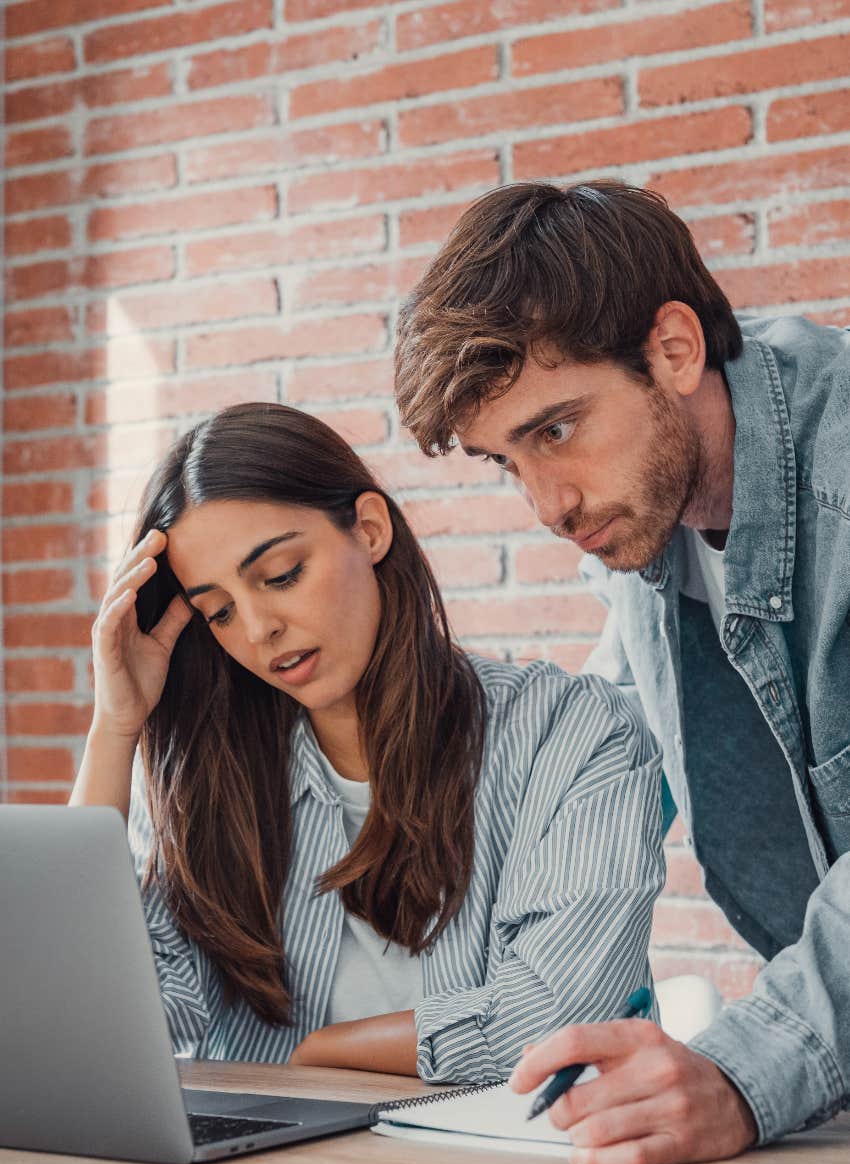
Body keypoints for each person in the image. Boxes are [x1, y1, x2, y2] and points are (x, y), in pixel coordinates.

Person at [394, 179, 850, 1164]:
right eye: (505, 460)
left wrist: (742, 1067)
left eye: (556, 429)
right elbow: (603, 768)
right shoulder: (651, 517)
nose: (547, 504)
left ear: (674, 349)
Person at [69, 402, 664, 1083]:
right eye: (220, 611)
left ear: (370, 529)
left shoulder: (574, 737)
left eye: (282, 574)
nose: (259, 629)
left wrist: (325, 1052)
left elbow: (562, 1017)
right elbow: (99, 1017)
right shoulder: (204, 779)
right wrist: (115, 729)